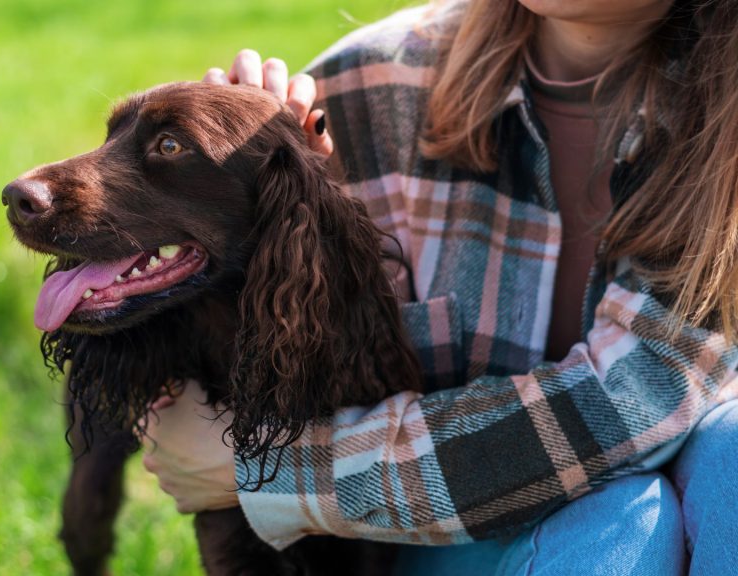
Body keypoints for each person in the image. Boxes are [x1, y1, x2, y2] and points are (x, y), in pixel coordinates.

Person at [142, 0, 738, 573]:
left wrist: (272, 467)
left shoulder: (724, 133)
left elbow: (633, 403)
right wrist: (222, 173)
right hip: (418, 541)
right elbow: (239, 336)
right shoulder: (363, 87)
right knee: (622, 523)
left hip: (694, 501)